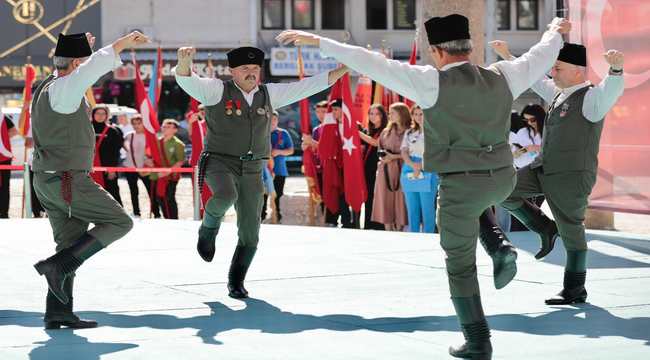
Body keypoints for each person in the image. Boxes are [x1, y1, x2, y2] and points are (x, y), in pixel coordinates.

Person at [277, 14, 570, 359]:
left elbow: (371, 62)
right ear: (469, 47)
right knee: (495, 196)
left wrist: (320, 42)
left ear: (436, 51)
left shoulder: (430, 82)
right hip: (503, 175)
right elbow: (540, 55)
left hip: (461, 185)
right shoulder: (503, 75)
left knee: (460, 263)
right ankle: (527, 232)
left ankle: (478, 342)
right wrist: (555, 30)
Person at [174, 45, 348, 298]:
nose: (251, 73)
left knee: (250, 230)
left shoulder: (269, 94)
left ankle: (236, 280)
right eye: (245, 68)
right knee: (224, 197)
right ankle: (208, 229)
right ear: (232, 71)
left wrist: (345, 69)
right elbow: (187, 81)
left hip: (254, 166)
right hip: (220, 161)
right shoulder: (216, 90)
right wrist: (183, 63)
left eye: (255, 68)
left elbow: (307, 86)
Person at [493, 40, 625, 305]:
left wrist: (617, 71)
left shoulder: (591, 98)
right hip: (543, 166)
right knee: (502, 189)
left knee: (572, 229)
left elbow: (611, 91)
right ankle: (544, 228)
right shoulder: (558, 92)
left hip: (571, 175)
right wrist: (509, 55)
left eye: (558, 67)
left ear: (577, 70)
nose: (552, 72)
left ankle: (575, 288)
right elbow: (534, 79)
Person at [31, 31, 148, 329]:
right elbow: (91, 68)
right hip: (68, 180)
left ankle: (58, 311)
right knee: (120, 222)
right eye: (82, 62)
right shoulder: (67, 88)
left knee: (69, 245)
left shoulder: (47, 86)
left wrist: (82, 47)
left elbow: (80, 66)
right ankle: (57, 268)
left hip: (48, 179)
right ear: (76, 63)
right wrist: (119, 44)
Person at [371, 102, 409, 231]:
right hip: (385, 170)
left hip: (402, 168)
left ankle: (400, 229)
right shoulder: (386, 132)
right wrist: (384, 157)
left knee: (401, 199)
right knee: (384, 198)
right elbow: (380, 148)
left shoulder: (409, 132)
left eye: (393, 113)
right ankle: (387, 230)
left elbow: (414, 153)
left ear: (401, 114)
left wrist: (395, 157)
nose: (390, 115)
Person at [400, 105, 438, 233]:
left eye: (421, 114)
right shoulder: (409, 132)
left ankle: (428, 235)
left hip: (428, 167)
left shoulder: (434, 132)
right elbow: (404, 151)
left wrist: (420, 165)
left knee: (427, 208)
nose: (418, 117)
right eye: (415, 114)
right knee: (412, 207)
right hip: (409, 167)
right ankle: (414, 235)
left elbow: (434, 151)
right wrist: (413, 165)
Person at [358, 104, 387, 230]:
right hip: (366, 168)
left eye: (376, 114)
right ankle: (368, 224)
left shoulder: (386, 130)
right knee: (368, 197)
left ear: (382, 116)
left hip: (380, 168)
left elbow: (376, 143)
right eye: (371, 114)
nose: (373, 117)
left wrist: (357, 133)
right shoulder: (366, 131)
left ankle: (379, 225)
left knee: (378, 197)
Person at [123, 114, 158, 218]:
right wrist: (128, 148)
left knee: (151, 192)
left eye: (139, 123)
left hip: (145, 168)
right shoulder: (129, 135)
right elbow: (125, 144)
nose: (136, 125)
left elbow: (154, 152)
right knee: (133, 191)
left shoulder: (150, 135)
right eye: (134, 123)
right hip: (130, 167)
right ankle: (136, 212)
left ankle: (156, 213)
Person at [261, 111, 294, 222]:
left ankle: (276, 215)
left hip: (279, 170)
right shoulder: (261, 133)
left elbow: (290, 150)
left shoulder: (283, 133)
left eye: (274, 119)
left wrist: (279, 151)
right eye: (270, 119)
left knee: (278, 194)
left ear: (277, 120)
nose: (272, 122)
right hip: (264, 170)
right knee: (263, 194)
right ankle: (262, 215)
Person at [150, 119, 185, 219]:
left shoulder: (178, 144)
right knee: (159, 197)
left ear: (175, 130)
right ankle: (166, 217)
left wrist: (167, 172)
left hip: (171, 176)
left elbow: (180, 161)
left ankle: (173, 219)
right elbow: (151, 155)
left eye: (168, 127)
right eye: (164, 126)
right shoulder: (157, 141)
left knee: (169, 198)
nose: (165, 128)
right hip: (158, 174)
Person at [90, 104, 124, 205]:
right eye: (97, 113)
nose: (100, 116)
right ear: (93, 114)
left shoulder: (113, 131)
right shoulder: (85, 129)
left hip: (107, 168)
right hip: (88, 168)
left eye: (103, 113)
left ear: (107, 115)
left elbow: (116, 151)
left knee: (112, 192)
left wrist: (112, 169)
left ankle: (118, 215)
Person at [0, 112, 18, 218]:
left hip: (5, 156)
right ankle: (4, 212)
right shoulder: (4, 117)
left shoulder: (4, 117)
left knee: (5, 186)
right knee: (5, 186)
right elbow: (14, 132)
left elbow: (14, 132)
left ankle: (3, 212)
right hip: (5, 155)